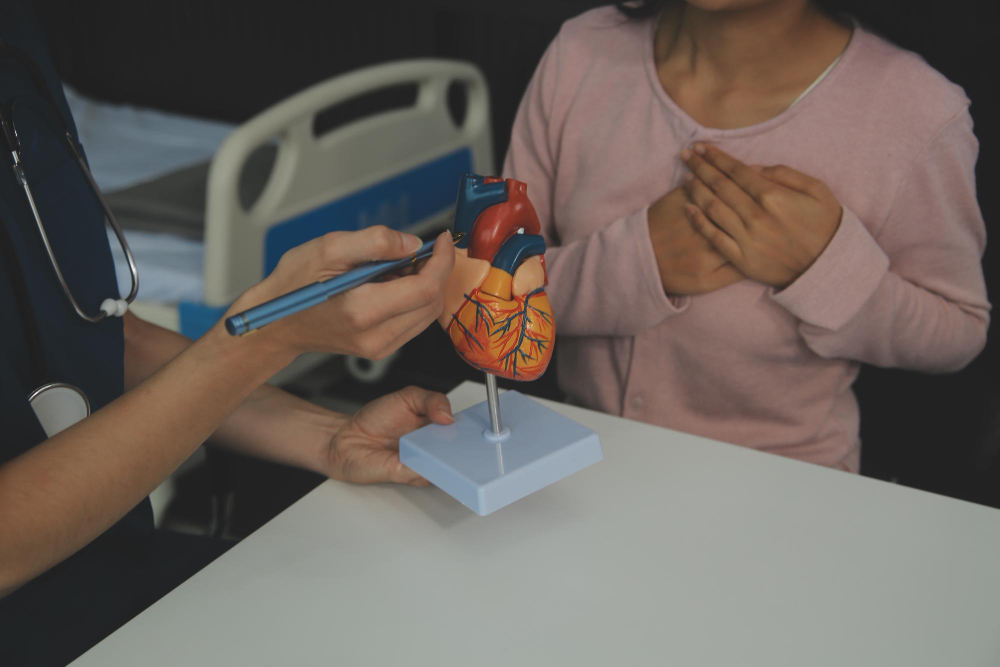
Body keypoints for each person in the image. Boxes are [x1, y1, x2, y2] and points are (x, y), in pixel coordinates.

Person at [0, 2, 456, 664]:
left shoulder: (18, 43)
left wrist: (330, 435)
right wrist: (266, 339)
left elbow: (101, 335)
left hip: (116, 569)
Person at [504, 0, 989, 471]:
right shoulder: (582, 48)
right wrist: (631, 265)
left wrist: (824, 269)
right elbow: (489, 285)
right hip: (577, 469)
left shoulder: (917, 111)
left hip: (790, 494)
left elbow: (959, 330)